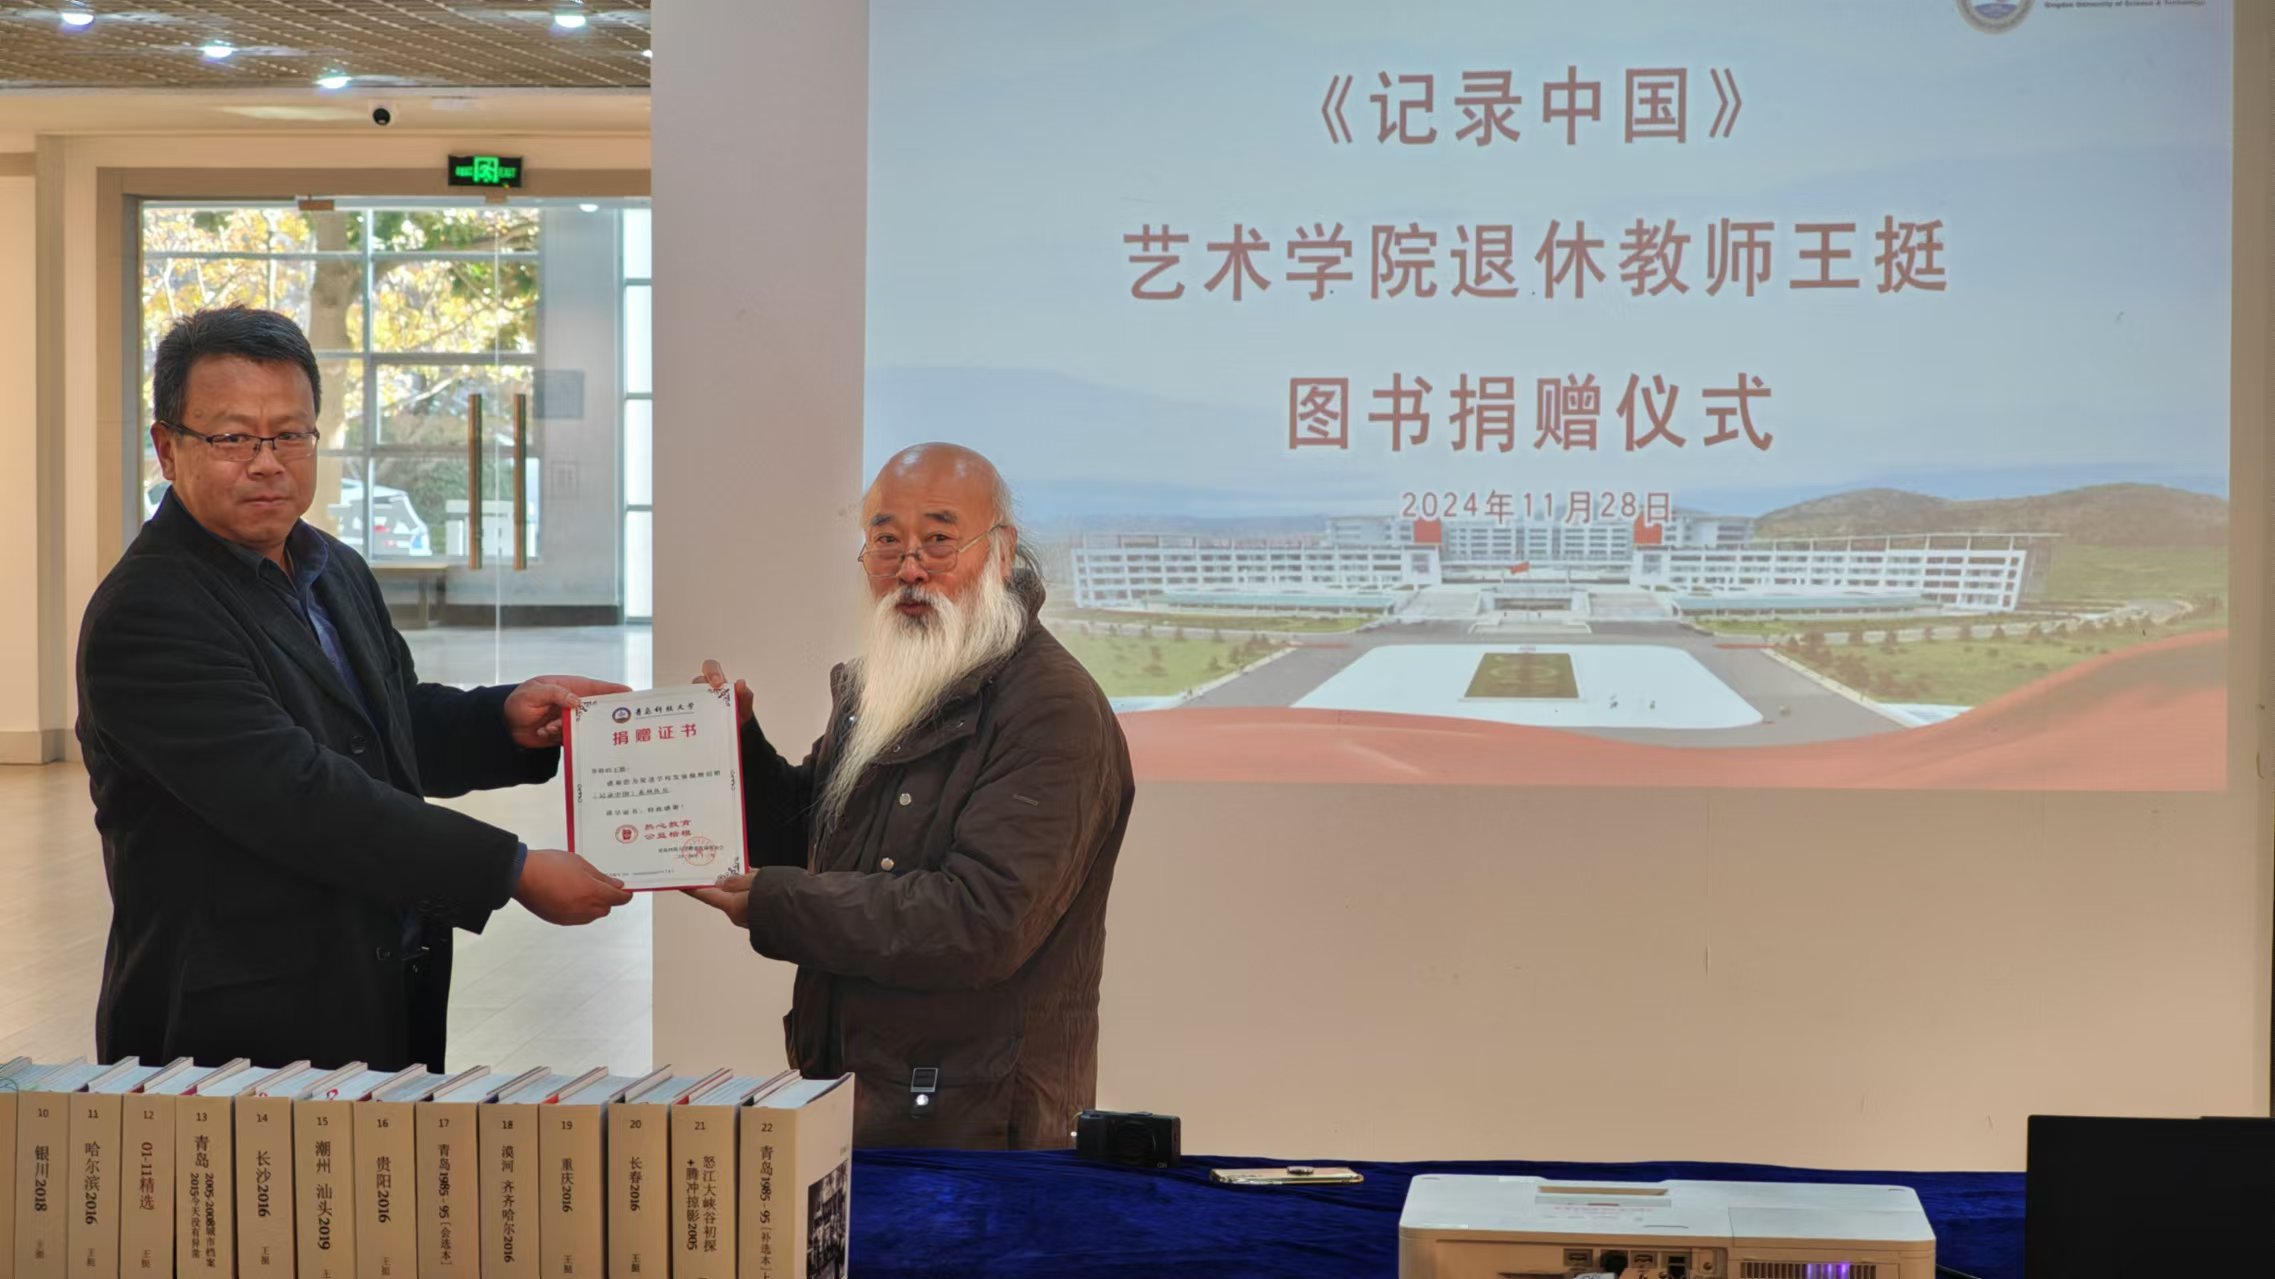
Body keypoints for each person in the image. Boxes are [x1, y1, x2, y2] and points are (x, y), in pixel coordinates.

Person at [78, 304, 634, 1072]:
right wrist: (509, 869)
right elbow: (299, 795)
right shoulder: (149, 612)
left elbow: (386, 726)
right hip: (237, 1026)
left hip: (375, 986)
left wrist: (504, 718)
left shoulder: (330, 566)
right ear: (167, 449)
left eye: (290, 433)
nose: (267, 461)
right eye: (233, 437)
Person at [689, 443, 1133, 1150]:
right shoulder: (885, 683)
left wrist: (777, 904)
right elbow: (814, 837)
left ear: (1001, 551)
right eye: (887, 541)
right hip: (862, 1093)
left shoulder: (1050, 708)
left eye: (938, 540)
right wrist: (734, 747)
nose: (910, 567)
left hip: (977, 1127)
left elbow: (980, 921)